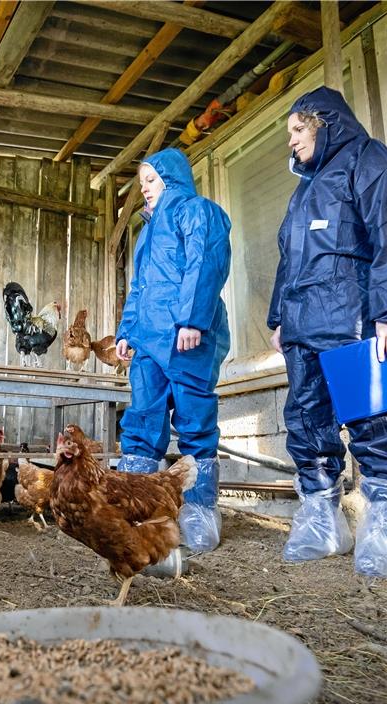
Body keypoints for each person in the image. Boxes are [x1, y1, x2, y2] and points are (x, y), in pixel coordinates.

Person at [268, 87, 387, 577]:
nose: (290, 140)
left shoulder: (370, 160)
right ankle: (321, 520)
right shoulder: (301, 193)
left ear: (324, 122)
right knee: (307, 421)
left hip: (353, 316)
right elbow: (288, 260)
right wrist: (278, 318)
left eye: (297, 128)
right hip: (303, 325)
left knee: (373, 416)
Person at [114, 147, 232, 568]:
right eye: (141, 181)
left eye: (151, 179)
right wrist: (127, 331)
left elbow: (205, 264)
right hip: (148, 341)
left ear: (172, 178)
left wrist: (192, 320)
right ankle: (138, 508)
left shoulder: (198, 211)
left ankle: (200, 509)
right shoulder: (145, 233)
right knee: (142, 419)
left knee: (194, 419)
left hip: (186, 338)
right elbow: (140, 286)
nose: (144, 187)